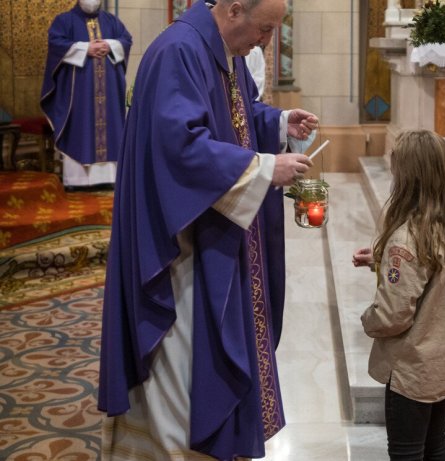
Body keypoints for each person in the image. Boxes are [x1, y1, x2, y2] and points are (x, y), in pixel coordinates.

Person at [97, 0, 319, 459]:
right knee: (179, 370)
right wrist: (262, 168)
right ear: (235, 11)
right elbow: (179, 148)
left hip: (207, 231)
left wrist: (277, 123)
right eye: (265, 29)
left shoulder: (223, 52)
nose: (266, 42)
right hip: (179, 246)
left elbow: (234, 117)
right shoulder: (179, 50)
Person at [353, 130, 445, 460]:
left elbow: (393, 314)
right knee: (435, 443)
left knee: (407, 452)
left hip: (413, 367)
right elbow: (434, 278)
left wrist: (368, 320)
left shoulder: (406, 238)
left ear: (407, 177)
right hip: (443, 361)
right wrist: (382, 260)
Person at [40, 0, 132, 188]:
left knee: (110, 128)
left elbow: (126, 39)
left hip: (109, 93)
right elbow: (55, 42)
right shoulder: (64, 20)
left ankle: (109, 178)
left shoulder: (112, 21)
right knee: (81, 128)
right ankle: (77, 180)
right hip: (80, 95)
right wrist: (85, 48)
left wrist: (110, 45)